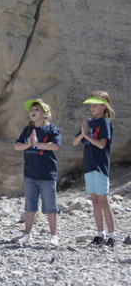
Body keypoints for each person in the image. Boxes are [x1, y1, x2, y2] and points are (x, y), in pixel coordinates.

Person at [13, 99, 61, 246]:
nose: (33, 112)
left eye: (37, 109)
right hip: (30, 175)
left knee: (50, 207)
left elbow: (56, 146)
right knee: (30, 207)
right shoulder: (27, 130)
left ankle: (54, 236)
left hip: (47, 175)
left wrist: (37, 144)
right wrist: (28, 144)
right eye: (32, 109)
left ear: (45, 113)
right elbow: (16, 145)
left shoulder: (52, 129)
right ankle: (27, 234)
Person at [72, 91, 116, 247]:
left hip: (100, 166)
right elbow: (75, 142)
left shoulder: (104, 122)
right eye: (91, 105)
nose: (92, 107)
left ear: (104, 106)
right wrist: (83, 132)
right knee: (95, 200)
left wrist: (87, 135)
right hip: (89, 166)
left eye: (95, 105)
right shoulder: (89, 122)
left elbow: (102, 144)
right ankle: (100, 235)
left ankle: (112, 236)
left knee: (103, 201)